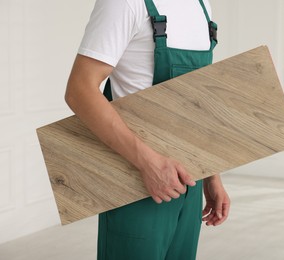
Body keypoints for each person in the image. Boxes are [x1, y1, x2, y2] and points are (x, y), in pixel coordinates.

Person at [65, 0, 230, 259]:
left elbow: (197, 102)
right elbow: (79, 90)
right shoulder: (124, 3)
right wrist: (149, 165)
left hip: (190, 182)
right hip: (136, 182)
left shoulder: (202, 5)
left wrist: (212, 175)